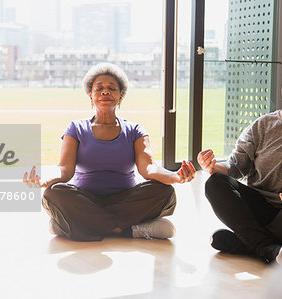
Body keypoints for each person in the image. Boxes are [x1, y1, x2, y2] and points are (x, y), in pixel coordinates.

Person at [24, 63, 196, 241]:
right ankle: (126, 230)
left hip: (125, 200)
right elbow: (65, 170)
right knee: (54, 193)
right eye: (99, 88)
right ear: (91, 96)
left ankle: (74, 225)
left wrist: (175, 176)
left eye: (111, 88)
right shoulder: (76, 128)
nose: (105, 92)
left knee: (164, 192)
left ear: (120, 96)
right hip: (85, 199)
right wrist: (45, 179)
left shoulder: (135, 130)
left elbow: (149, 168)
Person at [198, 55, 282, 264]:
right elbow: (236, 166)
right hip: (258, 209)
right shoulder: (264, 124)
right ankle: (270, 249)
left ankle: (249, 243)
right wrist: (213, 166)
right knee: (215, 183)